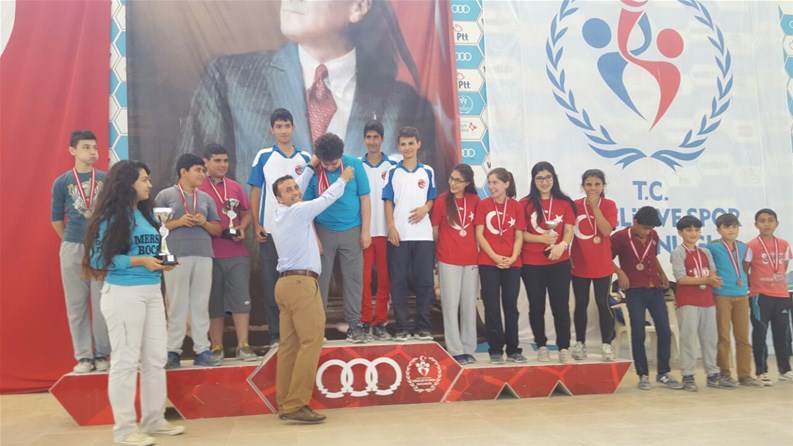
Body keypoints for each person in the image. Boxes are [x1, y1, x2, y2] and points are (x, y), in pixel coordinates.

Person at [177, 0, 441, 184]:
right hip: (267, 245)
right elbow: (191, 182)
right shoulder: (229, 79)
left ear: (359, 6)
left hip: (359, 244)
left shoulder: (403, 104)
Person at [83, 160, 184, 446]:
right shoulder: (110, 216)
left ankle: (154, 420)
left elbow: (154, 249)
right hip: (123, 293)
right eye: (144, 180)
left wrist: (162, 262)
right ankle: (125, 430)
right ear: (127, 183)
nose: (149, 184)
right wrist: (141, 261)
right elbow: (97, 260)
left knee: (155, 358)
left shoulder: (145, 214)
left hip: (152, 292)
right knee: (126, 361)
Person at [270, 134, 353, 423]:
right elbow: (326, 198)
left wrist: (308, 167)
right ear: (279, 198)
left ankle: (285, 402)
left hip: (285, 285)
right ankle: (296, 404)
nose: (295, 191)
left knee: (289, 346)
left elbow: (299, 189)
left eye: (295, 187)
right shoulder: (298, 212)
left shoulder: (279, 215)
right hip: (301, 285)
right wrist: (343, 178)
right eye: (288, 190)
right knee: (311, 341)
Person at [248, 108, 312, 347]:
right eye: (279, 127)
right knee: (271, 284)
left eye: (287, 126)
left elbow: (309, 196)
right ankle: (276, 334)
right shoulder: (264, 156)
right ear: (271, 130)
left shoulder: (305, 158)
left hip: (298, 234)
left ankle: (299, 331)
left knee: (298, 283)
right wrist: (256, 224)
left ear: (293, 128)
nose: (283, 131)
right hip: (271, 233)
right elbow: (255, 191)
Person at [51, 129, 111, 373]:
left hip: (100, 247)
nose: (92, 152)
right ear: (72, 150)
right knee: (76, 305)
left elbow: (113, 214)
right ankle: (84, 356)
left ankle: (102, 354)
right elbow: (56, 218)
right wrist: (70, 240)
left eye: (95, 147)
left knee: (101, 304)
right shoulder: (62, 182)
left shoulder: (106, 179)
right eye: (86, 147)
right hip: (73, 246)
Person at [303, 128, 371, 343]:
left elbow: (365, 198)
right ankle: (317, 328)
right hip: (323, 230)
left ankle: (354, 325)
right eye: (326, 164)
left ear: (341, 155)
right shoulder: (313, 171)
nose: (331, 167)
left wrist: (366, 230)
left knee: (354, 279)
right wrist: (314, 237)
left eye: (334, 163)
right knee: (320, 281)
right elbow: (306, 208)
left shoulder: (354, 164)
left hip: (352, 229)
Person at [155, 154, 223, 368]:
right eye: (198, 170)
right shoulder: (165, 196)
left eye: (203, 170)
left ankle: (202, 350)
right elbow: (156, 227)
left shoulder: (206, 198)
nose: (202, 174)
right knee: (176, 303)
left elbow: (217, 229)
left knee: (200, 304)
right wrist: (178, 222)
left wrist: (204, 223)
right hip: (176, 255)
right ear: (183, 172)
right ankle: (172, 351)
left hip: (203, 254)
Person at [612, 206, 683, 390]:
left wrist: (663, 274)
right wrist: (619, 272)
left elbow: (653, 256)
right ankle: (643, 375)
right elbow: (605, 257)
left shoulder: (653, 236)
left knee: (664, 331)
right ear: (635, 222)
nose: (647, 231)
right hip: (634, 290)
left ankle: (663, 373)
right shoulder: (620, 237)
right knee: (638, 332)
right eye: (644, 228)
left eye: (651, 228)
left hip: (655, 289)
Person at [198, 144, 257, 362]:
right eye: (217, 161)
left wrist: (242, 227)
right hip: (209, 253)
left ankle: (244, 345)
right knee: (214, 302)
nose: (223, 165)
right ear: (206, 162)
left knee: (241, 299)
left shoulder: (234, 186)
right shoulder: (198, 187)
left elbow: (246, 212)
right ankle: (216, 347)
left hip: (236, 252)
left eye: (225, 160)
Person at [383, 126, 436, 341]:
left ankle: (423, 326)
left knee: (425, 283)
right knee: (398, 283)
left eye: (411, 143)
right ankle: (402, 327)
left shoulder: (428, 171)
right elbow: (388, 201)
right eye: (403, 144)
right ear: (398, 146)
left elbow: (431, 197)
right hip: (400, 235)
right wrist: (391, 227)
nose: (407, 148)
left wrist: (425, 208)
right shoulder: (393, 172)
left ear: (418, 144)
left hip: (423, 236)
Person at [519, 162, 576, 363]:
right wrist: (540, 239)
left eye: (548, 177)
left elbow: (568, 230)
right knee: (536, 307)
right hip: (532, 264)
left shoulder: (565, 202)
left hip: (559, 262)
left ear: (554, 178)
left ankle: (564, 348)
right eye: (540, 178)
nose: (544, 182)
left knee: (561, 306)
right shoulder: (524, 204)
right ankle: (541, 346)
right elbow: (520, 234)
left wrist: (562, 245)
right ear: (534, 180)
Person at [671, 216, 735, 391]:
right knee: (688, 339)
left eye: (697, 230)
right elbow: (681, 278)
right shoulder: (678, 252)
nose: (693, 234)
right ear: (680, 233)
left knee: (710, 339)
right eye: (689, 230)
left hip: (707, 301)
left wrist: (712, 279)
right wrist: (706, 280)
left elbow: (712, 272)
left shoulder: (705, 252)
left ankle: (712, 374)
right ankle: (688, 376)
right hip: (688, 302)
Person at [707, 214, 764, 387]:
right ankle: (724, 373)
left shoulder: (743, 247)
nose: (731, 230)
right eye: (726, 227)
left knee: (743, 337)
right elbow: (709, 268)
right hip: (722, 295)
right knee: (723, 336)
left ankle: (744, 375)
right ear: (718, 230)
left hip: (741, 294)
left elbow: (744, 268)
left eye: (734, 227)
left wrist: (743, 283)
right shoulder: (712, 247)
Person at [432, 164, 480, 364]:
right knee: (450, 306)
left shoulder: (475, 200)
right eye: (451, 179)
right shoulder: (441, 200)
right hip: (448, 259)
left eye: (458, 180)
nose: (453, 183)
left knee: (468, 305)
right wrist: (440, 254)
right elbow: (435, 231)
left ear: (467, 183)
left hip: (471, 260)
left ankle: (469, 348)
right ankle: (455, 349)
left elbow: (478, 231)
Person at [475, 168, 525, 364]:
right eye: (489, 182)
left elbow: (519, 236)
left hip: (512, 263)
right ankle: (495, 349)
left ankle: (513, 349)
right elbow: (479, 234)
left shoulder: (517, 206)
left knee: (511, 306)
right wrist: (495, 256)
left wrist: (512, 257)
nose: (491, 186)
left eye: (495, 182)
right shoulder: (483, 205)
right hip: (489, 262)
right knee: (491, 306)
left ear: (506, 184)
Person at [570, 169, 617, 362]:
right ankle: (580, 343)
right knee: (581, 303)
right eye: (589, 185)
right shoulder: (574, 205)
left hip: (602, 263)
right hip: (579, 262)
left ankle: (607, 344)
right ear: (583, 186)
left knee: (602, 303)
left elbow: (606, 231)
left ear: (603, 186)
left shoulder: (609, 205)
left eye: (597, 184)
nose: (593, 188)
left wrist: (595, 207)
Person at [743, 208, 793, 385]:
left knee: (783, 334)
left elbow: (783, 266)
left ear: (776, 223)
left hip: (782, 295)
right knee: (760, 332)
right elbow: (745, 268)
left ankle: (785, 370)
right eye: (762, 221)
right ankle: (762, 371)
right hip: (760, 296)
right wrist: (756, 284)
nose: (766, 224)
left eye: (770, 220)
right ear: (756, 224)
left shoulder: (784, 244)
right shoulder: (751, 246)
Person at [360, 120, 396, 341]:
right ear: (364, 139)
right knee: (363, 280)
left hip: (386, 232)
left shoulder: (393, 166)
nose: (372, 142)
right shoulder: (356, 166)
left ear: (382, 139)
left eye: (376, 137)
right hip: (364, 232)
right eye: (368, 137)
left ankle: (380, 322)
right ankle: (365, 321)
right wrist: (361, 229)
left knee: (385, 280)